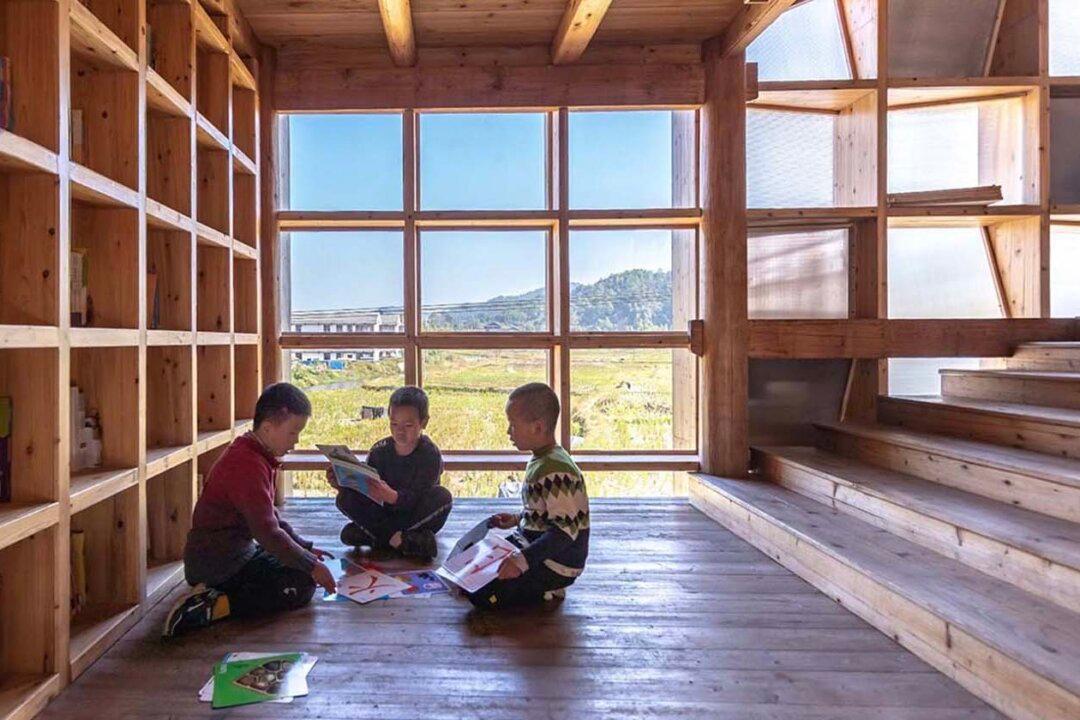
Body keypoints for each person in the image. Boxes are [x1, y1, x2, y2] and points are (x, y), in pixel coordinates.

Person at [163, 383, 336, 638]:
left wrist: (305, 550)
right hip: (218, 565)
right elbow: (267, 533)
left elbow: (271, 519)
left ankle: (218, 596)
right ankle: (214, 606)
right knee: (300, 584)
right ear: (267, 428)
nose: (296, 441)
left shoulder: (256, 454)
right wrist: (311, 566)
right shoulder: (246, 464)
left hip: (239, 554)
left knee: (300, 571)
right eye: (293, 432)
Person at [466, 382, 590, 610]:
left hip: (556, 562)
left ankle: (546, 588)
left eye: (512, 425)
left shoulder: (556, 470)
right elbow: (545, 511)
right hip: (532, 546)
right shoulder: (543, 459)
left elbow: (564, 532)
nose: (508, 432)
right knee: (470, 567)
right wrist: (517, 519)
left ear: (538, 427)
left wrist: (521, 561)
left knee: (480, 594)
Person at [331, 386, 452, 560]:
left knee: (442, 497)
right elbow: (367, 491)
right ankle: (405, 541)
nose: (399, 431)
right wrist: (344, 483)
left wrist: (393, 496)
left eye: (408, 425)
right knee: (344, 498)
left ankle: (374, 536)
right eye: (394, 424)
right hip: (383, 513)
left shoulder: (430, 453)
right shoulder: (379, 450)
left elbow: (419, 496)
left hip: (415, 515)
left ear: (423, 422)